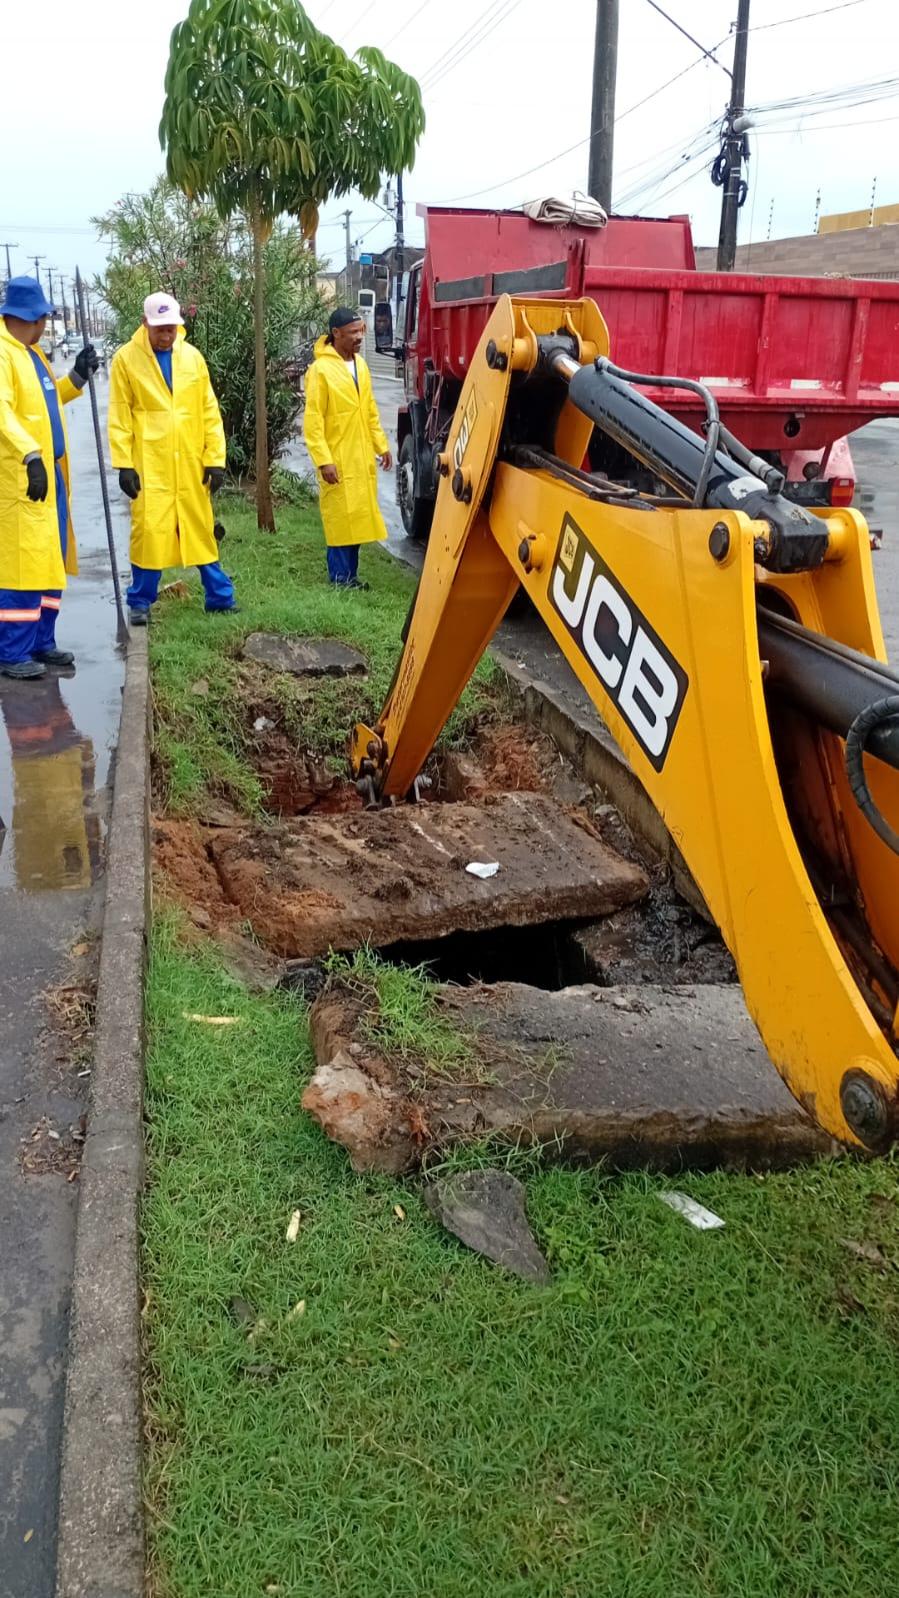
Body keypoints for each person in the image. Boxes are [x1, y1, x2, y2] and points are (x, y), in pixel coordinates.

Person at [107, 292, 234, 624]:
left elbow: (209, 410)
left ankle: (220, 597)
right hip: (150, 464)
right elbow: (119, 415)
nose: (166, 335)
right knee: (149, 532)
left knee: (200, 528)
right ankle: (140, 602)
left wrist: (215, 459)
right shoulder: (126, 360)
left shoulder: (192, 358)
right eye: (160, 329)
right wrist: (124, 464)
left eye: (171, 328)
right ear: (145, 323)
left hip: (190, 461)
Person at [0, 276, 97, 679]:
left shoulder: (32, 353)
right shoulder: (3, 354)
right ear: (30, 317)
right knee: (22, 564)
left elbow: (47, 401)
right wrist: (30, 455)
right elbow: (2, 411)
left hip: (49, 474)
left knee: (49, 559)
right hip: (21, 477)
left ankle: (42, 640)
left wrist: (77, 378)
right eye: (41, 318)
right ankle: (12, 652)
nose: (43, 324)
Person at [303, 307, 393, 589]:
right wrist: (323, 460)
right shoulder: (320, 371)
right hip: (337, 458)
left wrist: (381, 445)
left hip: (360, 457)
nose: (359, 337)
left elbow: (369, 411)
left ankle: (351, 576)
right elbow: (313, 421)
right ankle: (340, 579)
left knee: (358, 519)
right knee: (340, 520)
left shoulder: (361, 366)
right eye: (353, 332)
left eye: (361, 331)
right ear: (336, 333)